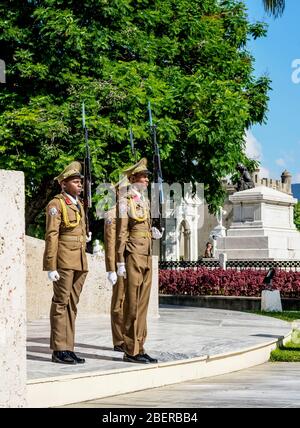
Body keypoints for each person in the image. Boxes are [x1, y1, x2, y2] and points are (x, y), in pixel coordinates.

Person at [43, 161, 90, 364]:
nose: (80, 184)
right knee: (61, 303)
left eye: (80, 181)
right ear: (63, 184)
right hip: (64, 260)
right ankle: (58, 348)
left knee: (72, 304)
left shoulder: (78, 204)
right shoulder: (56, 204)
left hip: (79, 260)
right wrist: (50, 265)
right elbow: (52, 235)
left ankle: (68, 347)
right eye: (75, 181)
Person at [116, 158, 162, 364]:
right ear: (132, 179)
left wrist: (153, 232)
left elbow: (145, 226)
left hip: (146, 254)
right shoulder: (124, 202)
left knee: (143, 304)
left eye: (146, 177)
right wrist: (119, 261)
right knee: (132, 304)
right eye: (142, 177)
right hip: (133, 254)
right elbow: (121, 233)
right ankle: (130, 349)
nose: (146, 180)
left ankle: (140, 345)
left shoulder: (145, 201)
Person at [103, 176, 129, 353]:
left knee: (131, 301)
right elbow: (110, 243)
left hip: (132, 261)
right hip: (119, 264)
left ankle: (128, 336)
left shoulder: (131, 210)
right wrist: (111, 268)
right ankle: (119, 339)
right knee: (119, 302)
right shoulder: (112, 213)